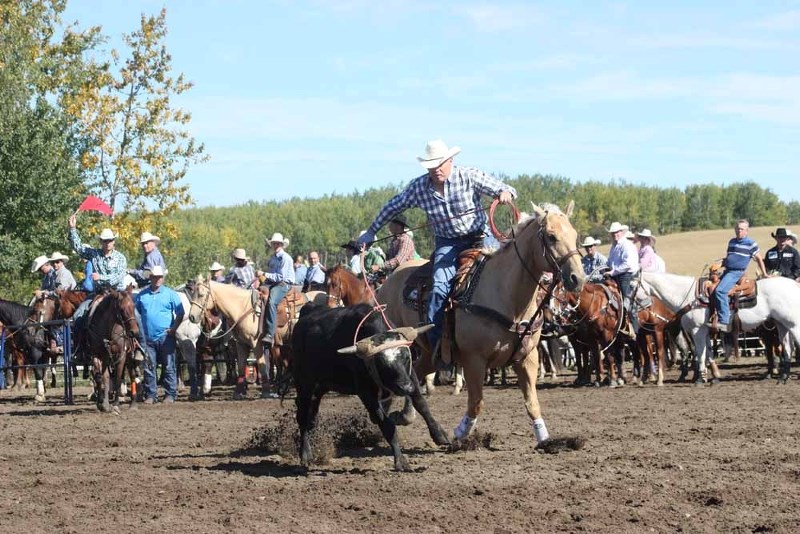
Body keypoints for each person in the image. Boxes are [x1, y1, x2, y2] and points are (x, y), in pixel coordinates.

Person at [356, 139, 516, 358]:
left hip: (481, 237)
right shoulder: (419, 187)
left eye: (440, 164)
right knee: (439, 287)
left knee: (510, 272)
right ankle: (438, 347)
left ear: (450, 160)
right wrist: (372, 231)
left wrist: (504, 193)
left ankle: (534, 325)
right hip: (448, 243)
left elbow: (506, 189)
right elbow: (393, 206)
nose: (436, 170)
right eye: (431, 166)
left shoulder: (469, 175)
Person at [67, 214, 146, 361]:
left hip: (118, 293)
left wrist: (101, 277)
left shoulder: (120, 258)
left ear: (114, 242)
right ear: (101, 242)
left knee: (136, 315)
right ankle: (80, 349)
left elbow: (118, 276)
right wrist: (72, 229)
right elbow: (78, 248)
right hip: (99, 293)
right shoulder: (94, 254)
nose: (107, 243)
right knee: (78, 315)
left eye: (110, 241)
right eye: (105, 241)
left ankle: (141, 347)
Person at [135, 265, 184, 404]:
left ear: (163, 278)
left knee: (169, 366)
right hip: (147, 337)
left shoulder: (170, 294)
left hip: (166, 336)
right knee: (149, 367)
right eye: (155, 277)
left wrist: (174, 329)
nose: (157, 279)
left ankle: (170, 394)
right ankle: (151, 394)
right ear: (150, 277)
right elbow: (135, 314)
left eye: (160, 277)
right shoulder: (141, 296)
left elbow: (180, 313)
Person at [709, 219, 767, 333]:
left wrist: (764, 273)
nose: (739, 231)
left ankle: (724, 321)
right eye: (737, 228)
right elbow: (729, 258)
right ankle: (711, 314)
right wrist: (719, 264)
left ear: (747, 230)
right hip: (727, 270)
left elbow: (759, 259)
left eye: (741, 229)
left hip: (736, 272)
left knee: (720, 291)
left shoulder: (751, 243)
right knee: (709, 286)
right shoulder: (732, 242)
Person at [603, 222, 640, 334]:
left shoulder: (627, 245)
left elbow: (627, 264)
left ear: (621, 232)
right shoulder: (614, 246)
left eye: (617, 232)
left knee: (626, 301)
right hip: (616, 275)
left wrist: (612, 271)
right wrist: (605, 268)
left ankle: (634, 329)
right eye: (613, 233)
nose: (615, 234)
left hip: (626, 275)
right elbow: (610, 261)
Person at [260, 233, 294, 346]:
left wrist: (264, 274)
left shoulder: (285, 258)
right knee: (257, 295)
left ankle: (270, 334)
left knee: (272, 301)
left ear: (281, 244)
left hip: (283, 284)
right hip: (273, 283)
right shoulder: (273, 258)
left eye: (277, 243)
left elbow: (281, 277)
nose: (275, 245)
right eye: (274, 243)